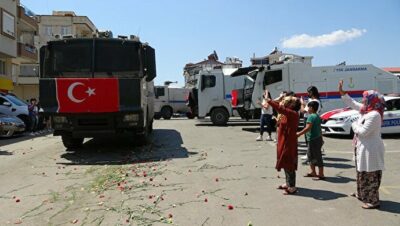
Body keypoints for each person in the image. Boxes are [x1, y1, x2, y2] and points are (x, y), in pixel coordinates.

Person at [339, 80, 385, 209]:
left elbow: (363, 132)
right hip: (362, 147)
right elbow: (352, 103)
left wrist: (353, 124)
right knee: (361, 172)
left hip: (371, 149)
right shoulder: (366, 110)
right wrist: (342, 92)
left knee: (371, 174)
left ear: (372, 101)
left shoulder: (374, 114)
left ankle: (373, 200)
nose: (363, 100)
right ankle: (362, 193)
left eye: (365, 98)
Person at [266, 93, 301, 195]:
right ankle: (288, 183)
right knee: (285, 162)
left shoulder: (293, 113)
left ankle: (292, 186)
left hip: (289, 142)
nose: (286, 102)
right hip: (284, 140)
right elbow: (280, 106)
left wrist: (269, 100)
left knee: (289, 163)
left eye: (290, 101)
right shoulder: (288, 113)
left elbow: (280, 108)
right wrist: (279, 99)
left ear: (292, 105)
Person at [297, 101, 325, 180]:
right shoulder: (317, 116)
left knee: (317, 156)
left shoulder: (311, 117)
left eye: (308, 107)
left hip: (314, 139)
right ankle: (313, 172)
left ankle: (321, 174)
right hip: (317, 138)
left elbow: (308, 128)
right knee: (310, 155)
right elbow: (319, 128)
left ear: (311, 108)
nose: (307, 109)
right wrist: (321, 138)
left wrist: (299, 133)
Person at [300, 86, 322, 161]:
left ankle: (310, 155)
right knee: (309, 137)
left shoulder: (314, 101)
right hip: (312, 119)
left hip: (309, 119)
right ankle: (309, 154)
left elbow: (303, 111)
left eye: (308, 92)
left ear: (312, 92)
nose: (307, 94)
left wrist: (302, 103)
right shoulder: (316, 100)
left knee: (308, 137)